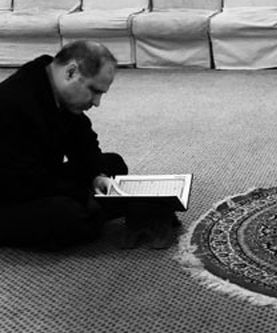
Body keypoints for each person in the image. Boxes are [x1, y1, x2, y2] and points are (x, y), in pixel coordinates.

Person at [0, 41, 171, 250]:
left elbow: (84, 142)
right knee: (67, 217)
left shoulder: (57, 88)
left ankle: (101, 207)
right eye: (94, 91)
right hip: (11, 193)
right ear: (71, 72)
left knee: (113, 164)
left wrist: (96, 175)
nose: (97, 102)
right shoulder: (12, 104)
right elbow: (24, 181)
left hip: (40, 175)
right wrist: (84, 193)